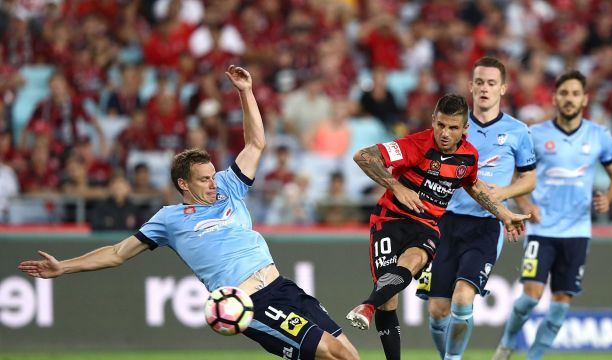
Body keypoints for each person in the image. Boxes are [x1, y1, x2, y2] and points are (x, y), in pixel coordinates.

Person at [18, 65, 359, 360]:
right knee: (333, 352)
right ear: (184, 183)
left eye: (213, 175)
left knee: (350, 353)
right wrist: (64, 267)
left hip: (282, 285)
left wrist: (246, 92)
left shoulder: (230, 186)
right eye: (205, 179)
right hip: (250, 302)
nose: (214, 183)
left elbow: (256, 144)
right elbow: (117, 253)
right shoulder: (169, 220)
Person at [346, 93, 531, 360]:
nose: (445, 133)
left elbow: (474, 186)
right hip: (389, 220)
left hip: (427, 225)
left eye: (453, 127)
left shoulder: (468, 157)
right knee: (389, 300)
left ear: (465, 129)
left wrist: (504, 214)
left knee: (413, 260)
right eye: (441, 125)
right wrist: (396, 187)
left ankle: (366, 306)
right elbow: (363, 156)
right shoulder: (415, 145)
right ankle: (375, 310)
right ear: (433, 120)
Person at [492, 70, 612, 360]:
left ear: (584, 99)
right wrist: (525, 205)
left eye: (575, 94)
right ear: (555, 98)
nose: (569, 99)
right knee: (530, 298)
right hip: (543, 229)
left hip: (577, 232)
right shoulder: (536, 134)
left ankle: (534, 357)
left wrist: (608, 198)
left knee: (561, 304)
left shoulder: (598, 136)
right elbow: (518, 177)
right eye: (564, 93)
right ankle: (508, 342)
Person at [415, 57, 537, 360]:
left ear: (503, 88)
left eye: (491, 83)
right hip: (445, 221)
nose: (484, 88)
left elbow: (530, 179)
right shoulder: (453, 129)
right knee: (437, 311)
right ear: (471, 86)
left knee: (462, 299)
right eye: (479, 82)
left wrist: (505, 193)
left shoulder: (518, 131)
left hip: (485, 224)